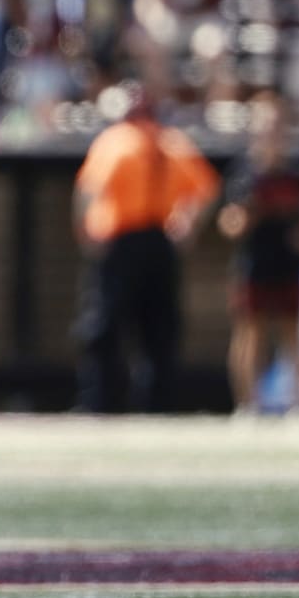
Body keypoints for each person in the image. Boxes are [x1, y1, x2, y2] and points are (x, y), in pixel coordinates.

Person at [73, 83, 221, 413]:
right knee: (158, 329)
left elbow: (87, 192)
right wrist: (187, 225)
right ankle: (156, 405)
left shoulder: (117, 141)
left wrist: (86, 234)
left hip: (123, 243)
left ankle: (102, 402)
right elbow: (207, 189)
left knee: (108, 326)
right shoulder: (171, 141)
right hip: (158, 243)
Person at [216, 91, 299, 414]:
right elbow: (229, 222)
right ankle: (247, 404)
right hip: (254, 261)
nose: (272, 131)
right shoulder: (244, 171)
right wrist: (245, 218)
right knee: (251, 331)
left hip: (289, 262)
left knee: (294, 331)